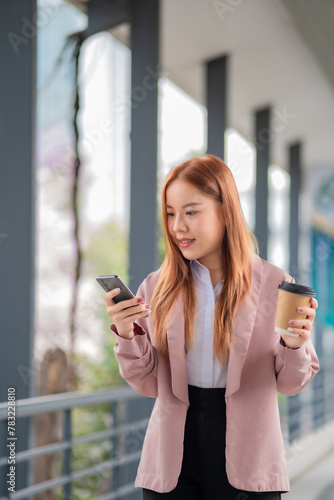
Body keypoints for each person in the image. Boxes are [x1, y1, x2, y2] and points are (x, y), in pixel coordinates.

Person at [104, 154, 319, 500]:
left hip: (249, 450)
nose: (178, 227)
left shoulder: (276, 284)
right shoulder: (156, 286)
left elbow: (292, 385)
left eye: (191, 212)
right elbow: (146, 385)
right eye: (171, 214)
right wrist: (127, 335)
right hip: (173, 451)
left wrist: (295, 345)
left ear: (225, 211)